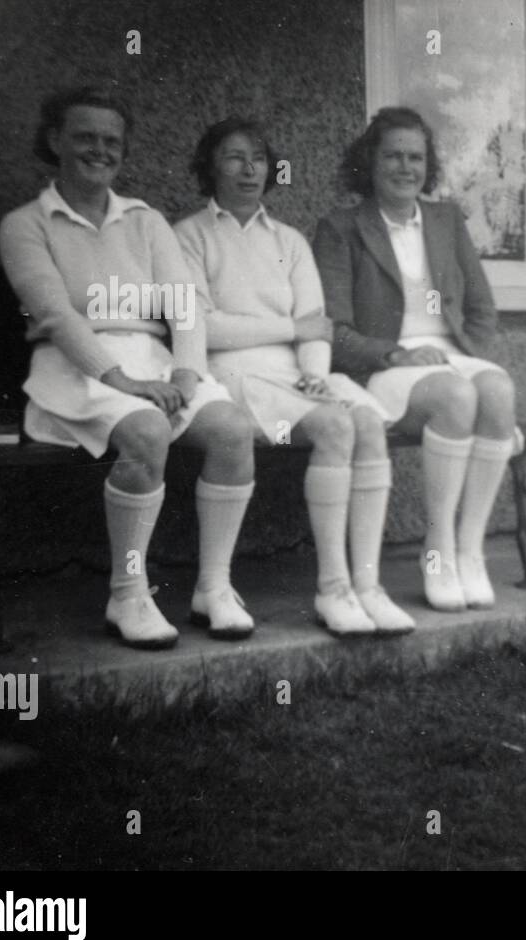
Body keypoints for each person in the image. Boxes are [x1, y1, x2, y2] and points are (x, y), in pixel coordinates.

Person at [0, 86, 256, 649]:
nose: (100, 149)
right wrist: (122, 381)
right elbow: (55, 315)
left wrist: (185, 375)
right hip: (74, 370)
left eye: (111, 140)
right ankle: (129, 594)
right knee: (147, 431)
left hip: (155, 365)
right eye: (85, 137)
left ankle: (214, 588)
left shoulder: (145, 221)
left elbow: (185, 305)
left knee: (233, 430)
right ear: (54, 141)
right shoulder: (26, 224)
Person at [175, 117, 414, 638]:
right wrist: (289, 328)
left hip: (293, 375)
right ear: (210, 166)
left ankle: (366, 586)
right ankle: (332, 589)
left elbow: (317, 323)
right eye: (234, 157)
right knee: (333, 427)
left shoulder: (289, 240)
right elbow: (202, 325)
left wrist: (313, 373)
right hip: (233, 375)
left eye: (258, 158)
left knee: (367, 425)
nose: (248, 169)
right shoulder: (189, 236)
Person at [314, 107, 517, 612]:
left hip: (449, 357)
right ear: (370, 161)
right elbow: (332, 329)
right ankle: (438, 550)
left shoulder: (447, 220)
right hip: (385, 368)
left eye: (416, 157)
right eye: (393, 156)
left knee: (498, 390)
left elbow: (482, 308)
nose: (406, 167)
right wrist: (397, 353)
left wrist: (466, 351)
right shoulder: (342, 228)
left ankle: (469, 551)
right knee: (455, 395)